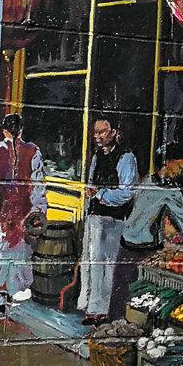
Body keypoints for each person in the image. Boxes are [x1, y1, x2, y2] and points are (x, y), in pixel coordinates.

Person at [79, 117, 139, 327]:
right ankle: (90, 307)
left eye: (102, 132)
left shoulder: (126, 158)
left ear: (113, 132)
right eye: (95, 132)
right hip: (94, 217)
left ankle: (103, 310)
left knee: (106, 266)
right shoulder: (97, 156)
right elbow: (91, 185)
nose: (97, 137)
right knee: (91, 263)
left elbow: (127, 192)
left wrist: (100, 194)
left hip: (113, 219)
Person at [0, 115, 47, 321]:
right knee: (9, 253)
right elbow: (38, 185)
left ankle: (4, 296)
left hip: (9, 210)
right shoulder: (30, 151)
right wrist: (37, 210)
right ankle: (5, 296)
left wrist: (36, 211)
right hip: (12, 210)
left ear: (4, 130)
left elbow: (38, 184)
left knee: (5, 252)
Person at [120, 142, 183, 257]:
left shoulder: (146, 181)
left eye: (182, 169)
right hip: (145, 244)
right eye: (179, 167)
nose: (179, 172)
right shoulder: (169, 190)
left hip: (126, 238)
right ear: (168, 162)